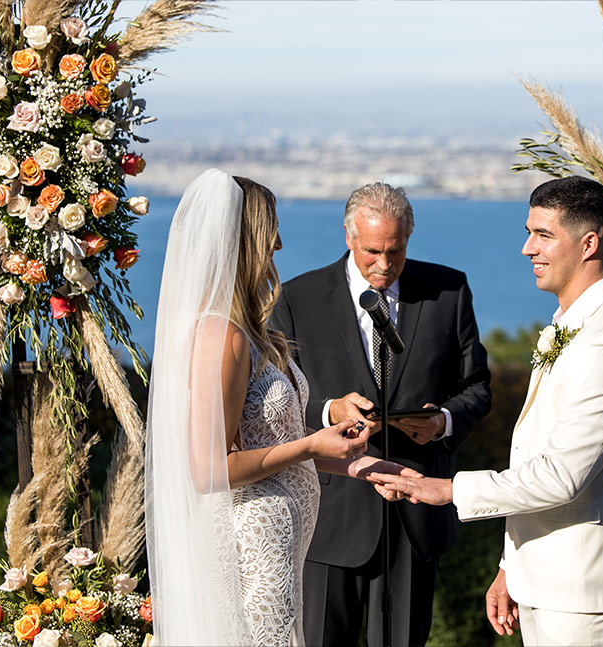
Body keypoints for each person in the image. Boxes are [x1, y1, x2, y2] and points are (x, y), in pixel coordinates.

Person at [370, 176, 603, 647]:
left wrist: (446, 489)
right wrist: (513, 566)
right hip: (549, 579)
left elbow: (562, 477)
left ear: (589, 244)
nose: (528, 248)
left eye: (544, 234)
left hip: (585, 590)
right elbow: (536, 455)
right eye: (529, 232)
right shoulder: (573, 325)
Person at [144, 169, 416, 647]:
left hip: (282, 543)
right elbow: (209, 470)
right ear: (243, 239)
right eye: (271, 230)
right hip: (252, 544)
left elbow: (272, 442)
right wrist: (312, 443)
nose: (280, 244)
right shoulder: (220, 336)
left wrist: (360, 464)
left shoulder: (252, 332)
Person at [269, 182, 491, 647]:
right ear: (349, 237)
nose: (384, 265)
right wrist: (329, 409)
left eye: (396, 250)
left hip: (416, 513)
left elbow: (476, 388)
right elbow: (277, 398)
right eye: (373, 251)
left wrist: (442, 422)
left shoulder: (448, 291)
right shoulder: (296, 298)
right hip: (331, 515)